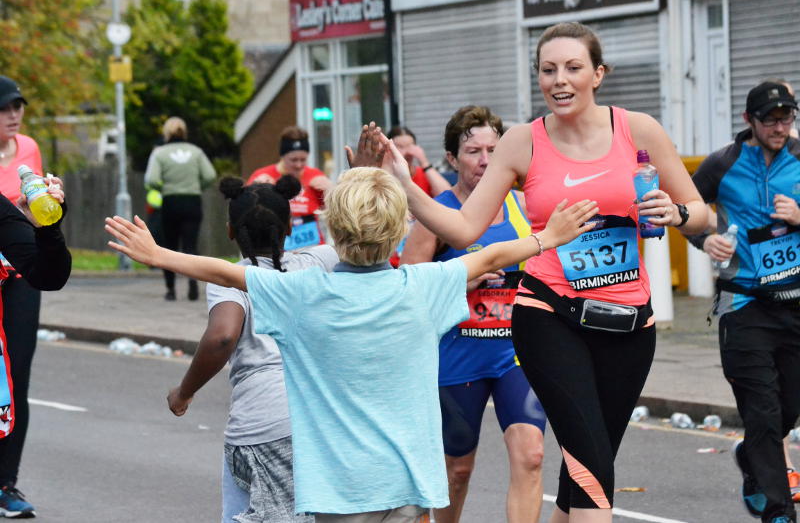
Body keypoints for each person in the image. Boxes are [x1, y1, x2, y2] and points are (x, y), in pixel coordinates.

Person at [106, 160, 598, 522]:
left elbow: (227, 274)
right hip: (409, 486)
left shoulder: (301, 293)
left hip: (338, 491)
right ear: (399, 233)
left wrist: (158, 254)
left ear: (330, 232)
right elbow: (489, 258)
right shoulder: (422, 286)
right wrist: (547, 236)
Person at [382, 21, 706, 523]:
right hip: (549, 315)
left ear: (598, 74)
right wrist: (407, 184)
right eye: (548, 70)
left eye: (573, 68)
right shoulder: (520, 141)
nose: (560, 80)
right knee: (592, 462)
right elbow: (466, 227)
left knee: (586, 464)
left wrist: (677, 213)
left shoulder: (638, 131)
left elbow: (701, 212)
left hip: (628, 322)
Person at [400, 106, 545, 523]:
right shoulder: (435, 214)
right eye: (473, 151)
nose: (485, 160)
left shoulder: (523, 207)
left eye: (493, 151)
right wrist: (458, 283)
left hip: (516, 355)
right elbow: (408, 290)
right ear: (451, 158)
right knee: (457, 471)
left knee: (531, 457)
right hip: (456, 356)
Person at [166, 175, 338, 523]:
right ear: (290, 227)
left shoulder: (231, 278)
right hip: (319, 420)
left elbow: (222, 336)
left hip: (261, 425)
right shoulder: (319, 262)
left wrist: (183, 393)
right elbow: (359, 238)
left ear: (230, 230)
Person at [688, 80, 800, 523]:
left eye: (786, 117)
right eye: (770, 118)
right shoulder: (723, 164)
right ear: (748, 121)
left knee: (788, 407)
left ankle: (754, 458)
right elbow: (685, 207)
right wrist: (704, 237)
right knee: (763, 412)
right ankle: (779, 512)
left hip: (795, 305)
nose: (779, 126)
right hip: (744, 305)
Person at [0, 75, 72, 519]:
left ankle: (6, 483)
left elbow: (19, 214)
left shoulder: (27, 148)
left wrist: (43, 219)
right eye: (4, 107)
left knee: (14, 379)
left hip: (17, 264)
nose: (13, 114)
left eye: (18, 106)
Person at [144, 116, 216, 301]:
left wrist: (164, 187)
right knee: (190, 245)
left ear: (166, 133)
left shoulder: (160, 153)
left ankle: (171, 289)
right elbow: (210, 175)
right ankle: (193, 285)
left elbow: (151, 180)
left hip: (171, 202)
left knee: (169, 246)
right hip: (192, 202)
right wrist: (196, 186)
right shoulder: (196, 152)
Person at [247, 126, 334, 251]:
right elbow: (244, 211)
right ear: (282, 157)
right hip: (276, 249)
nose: (299, 165)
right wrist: (255, 189)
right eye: (293, 160)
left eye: (303, 160)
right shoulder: (264, 176)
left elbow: (334, 212)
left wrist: (331, 190)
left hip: (312, 249)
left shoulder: (315, 176)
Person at [386, 126, 451, 197]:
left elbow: (448, 197)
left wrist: (424, 162)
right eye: (400, 147)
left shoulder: (425, 174)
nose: (407, 152)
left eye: (410, 146)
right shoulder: (385, 176)